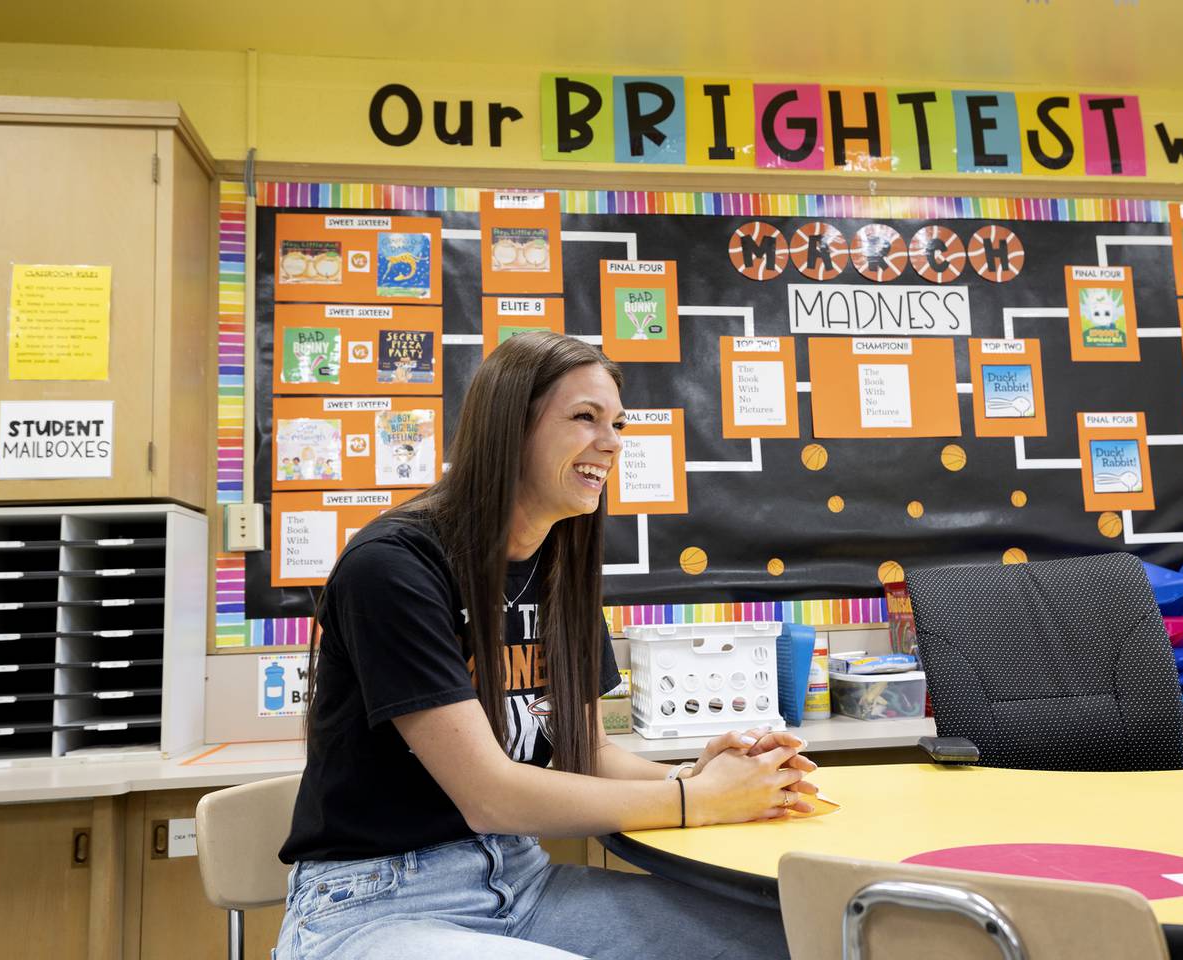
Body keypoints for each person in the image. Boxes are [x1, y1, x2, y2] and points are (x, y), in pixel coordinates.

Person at [276, 331, 817, 959]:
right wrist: (693, 800)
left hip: (521, 884)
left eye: (617, 423)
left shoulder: (558, 562)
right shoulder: (393, 566)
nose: (611, 443)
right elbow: (489, 796)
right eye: (585, 418)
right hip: (373, 905)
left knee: (792, 937)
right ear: (511, 427)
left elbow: (583, 750)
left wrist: (701, 776)